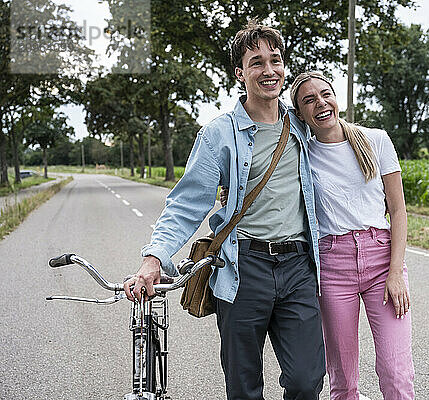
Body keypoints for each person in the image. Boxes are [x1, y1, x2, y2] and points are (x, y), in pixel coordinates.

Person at [123, 23, 325, 400]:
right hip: (243, 267)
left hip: (299, 266)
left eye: (275, 60)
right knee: (243, 386)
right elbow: (185, 204)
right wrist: (154, 258)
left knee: (306, 380)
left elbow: (338, 149)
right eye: (256, 62)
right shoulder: (218, 134)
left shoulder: (301, 124)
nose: (269, 70)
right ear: (240, 73)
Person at [290, 71, 415, 400]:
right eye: (309, 100)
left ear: (336, 98)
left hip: (381, 260)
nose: (320, 103)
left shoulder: (375, 140)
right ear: (300, 113)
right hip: (332, 266)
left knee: (395, 370)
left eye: (325, 94)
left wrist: (396, 274)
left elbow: (398, 211)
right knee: (343, 379)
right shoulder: (302, 155)